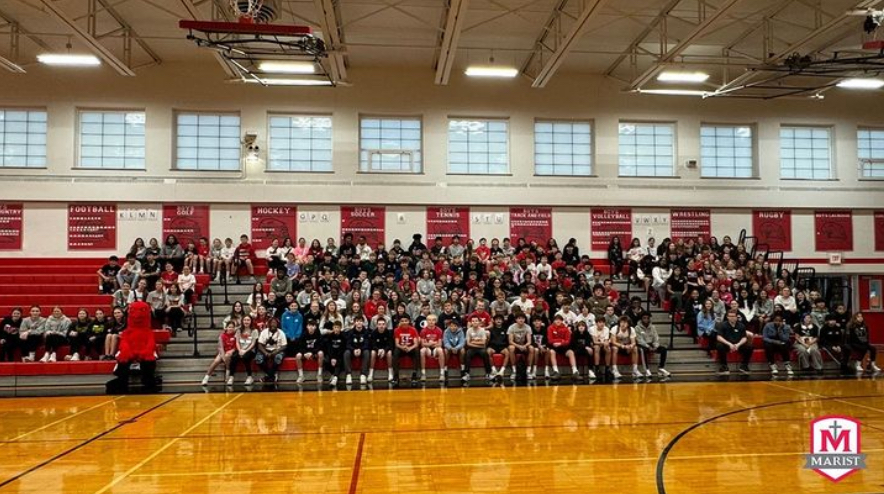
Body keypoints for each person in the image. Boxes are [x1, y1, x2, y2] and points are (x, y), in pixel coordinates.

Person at [715, 310, 753, 375]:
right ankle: (724, 366)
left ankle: (744, 366)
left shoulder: (741, 325)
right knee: (719, 346)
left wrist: (738, 345)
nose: (732, 317)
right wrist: (729, 344)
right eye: (730, 316)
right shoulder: (722, 325)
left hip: (738, 345)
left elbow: (744, 338)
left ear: (736, 317)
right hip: (727, 344)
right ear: (727, 317)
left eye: (734, 316)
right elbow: (719, 337)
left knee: (750, 347)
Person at [634, 312, 670, 378]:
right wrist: (648, 346)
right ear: (641, 319)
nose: (646, 319)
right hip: (642, 344)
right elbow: (639, 340)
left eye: (647, 318)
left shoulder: (652, 327)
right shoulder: (637, 327)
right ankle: (647, 370)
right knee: (643, 350)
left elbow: (656, 337)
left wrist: (656, 346)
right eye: (644, 318)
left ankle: (660, 368)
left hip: (652, 344)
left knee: (663, 349)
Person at [201, 322, 237, 386]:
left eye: (232, 327)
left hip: (231, 352)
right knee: (216, 361)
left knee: (228, 356)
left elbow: (236, 346)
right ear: (226, 328)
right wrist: (223, 357)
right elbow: (221, 348)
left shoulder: (235, 335)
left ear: (234, 328)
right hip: (223, 352)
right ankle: (206, 378)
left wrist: (232, 350)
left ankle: (227, 373)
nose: (230, 328)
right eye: (229, 327)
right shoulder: (222, 335)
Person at [255, 317, 287, 383]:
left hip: (277, 350)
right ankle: (272, 374)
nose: (273, 324)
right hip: (265, 350)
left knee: (278, 358)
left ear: (277, 324)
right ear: (268, 324)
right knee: (258, 359)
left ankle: (268, 376)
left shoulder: (281, 332)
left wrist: (275, 352)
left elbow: (284, 346)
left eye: (275, 323)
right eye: (271, 323)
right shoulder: (264, 332)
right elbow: (259, 345)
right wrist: (265, 353)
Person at [228, 315, 257, 385]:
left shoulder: (254, 330)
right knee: (234, 357)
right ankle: (231, 376)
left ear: (251, 321)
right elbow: (237, 342)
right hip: (240, 349)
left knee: (246, 357)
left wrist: (245, 351)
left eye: (248, 320)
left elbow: (253, 343)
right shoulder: (238, 330)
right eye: (245, 320)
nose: (246, 322)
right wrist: (240, 350)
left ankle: (249, 377)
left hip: (250, 350)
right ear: (242, 321)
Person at [463, 314, 492, 382]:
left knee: (485, 353)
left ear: (479, 322)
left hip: (480, 349)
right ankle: (467, 374)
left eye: (476, 321)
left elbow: (483, 343)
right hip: (473, 349)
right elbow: (468, 343)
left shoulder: (482, 330)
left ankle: (488, 373)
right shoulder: (469, 330)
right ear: (471, 323)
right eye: (473, 321)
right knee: (467, 354)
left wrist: (473, 342)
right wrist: (479, 343)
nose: (474, 322)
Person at [547, 314, 577, 380]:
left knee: (571, 352)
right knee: (551, 352)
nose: (558, 321)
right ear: (554, 321)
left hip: (564, 347)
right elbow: (550, 340)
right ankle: (556, 371)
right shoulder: (550, 328)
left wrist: (560, 343)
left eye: (560, 320)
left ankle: (575, 372)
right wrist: (561, 340)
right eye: (556, 320)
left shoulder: (566, 329)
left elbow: (568, 341)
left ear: (562, 321)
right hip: (554, 347)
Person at [392, 315, 420, 385]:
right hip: (401, 348)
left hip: (410, 348)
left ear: (409, 321)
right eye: (402, 321)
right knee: (395, 351)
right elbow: (397, 344)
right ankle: (396, 375)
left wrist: (410, 348)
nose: (404, 322)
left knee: (416, 351)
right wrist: (402, 347)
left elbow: (416, 343)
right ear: (400, 322)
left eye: (406, 321)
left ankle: (414, 374)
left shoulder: (413, 329)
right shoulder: (397, 330)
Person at [295, 320, 325, 384]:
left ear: (315, 327)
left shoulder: (318, 334)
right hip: (306, 353)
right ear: (306, 326)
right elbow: (300, 346)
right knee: (298, 356)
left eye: (313, 326)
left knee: (321, 353)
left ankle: (319, 375)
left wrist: (312, 353)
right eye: (309, 326)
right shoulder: (303, 334)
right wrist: (305, 353)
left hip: (314, 353)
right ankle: (301, 376)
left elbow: (320, 346)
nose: (311, 327)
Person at [506, 312, 534, 380]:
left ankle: (528, 371)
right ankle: (514, 371)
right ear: (516, 320)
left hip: (524, 345)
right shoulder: (511, 327)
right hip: (515, 345)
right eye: (519, 318)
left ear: (525, 319)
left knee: (531, 348)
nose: (521, 320)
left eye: (522, 318)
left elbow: (529, 341)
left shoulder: (528, 327)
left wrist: (524, 346)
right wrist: (519, 346)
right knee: (511, 348)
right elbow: (510, 341)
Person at [419, 314, 446, 382]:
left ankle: (442, 374)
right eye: (429, 320)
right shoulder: (423, 331)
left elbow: (440, 344)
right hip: (427, 349)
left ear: (435, 321)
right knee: (422, 351)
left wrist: (430, 344)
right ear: (427, 321)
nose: (431, 322)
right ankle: (423, 374)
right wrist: (431, 343)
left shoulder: (439, 330)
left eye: (433, 320)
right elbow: (422, 344)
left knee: (440, 350)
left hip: (435, 349)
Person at [344, 317, 371, 385]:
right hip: (353, 350)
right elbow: (348, 344)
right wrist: (353, 350)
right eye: (357, 321)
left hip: (362, 350)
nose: (359, 322)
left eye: (360, 321)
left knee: (367, 352)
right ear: (354, 323)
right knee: (346, 353)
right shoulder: (350, 332)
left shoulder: (366, 332)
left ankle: (363, 375)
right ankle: (348, 375)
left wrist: (360, 349)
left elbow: (367, 344)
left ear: (363, 323)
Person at [369, 318, 394, 383]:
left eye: (383, 324)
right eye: (379, 324)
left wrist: (384, 351)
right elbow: (372, 345)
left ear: (386, 325)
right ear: (377, 325)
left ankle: (390, 372)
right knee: (372, 352)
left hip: (385, 349)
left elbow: (390, 345)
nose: (381, 326)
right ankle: (370, 373)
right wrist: (378, 350)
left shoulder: (388, 332)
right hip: (377, 349)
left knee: (389, 353)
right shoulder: (373, 333)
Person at [487, 315, 510, 379]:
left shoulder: (505, 330)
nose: (498, 320)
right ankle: (493, 370)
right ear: (494, 321)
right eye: (497, 319)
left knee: (507, 353)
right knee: (488, 352)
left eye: (500, 319)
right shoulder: (491, 330)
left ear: (502, 321)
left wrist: (507, 346)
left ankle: (502, 371)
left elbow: (507, 340)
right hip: (493, 346)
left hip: (502, 347)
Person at [324, 321, 348, 386]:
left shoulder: (343, 336)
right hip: (332, 354)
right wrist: (332, 358)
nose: (336, 329)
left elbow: (342, 349)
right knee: (325, 360)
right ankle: (333, 374)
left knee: (339, 360)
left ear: (340, 328)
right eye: (335, 327)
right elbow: (329, 348)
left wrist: (335, 358)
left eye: (338, 327)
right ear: (333, 328)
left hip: (339, 354)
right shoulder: (330, 336)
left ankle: (335, 377)